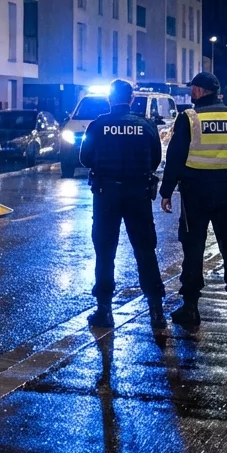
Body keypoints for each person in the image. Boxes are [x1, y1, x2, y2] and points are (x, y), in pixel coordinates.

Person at [160, 71, 227, 329]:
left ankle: (191, 308)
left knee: (193, 247)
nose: (191, 92)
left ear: (201, 91)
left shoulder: (189, 118)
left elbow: (175, 158)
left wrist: (166, 191)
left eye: (193, 88)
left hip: (196, 193)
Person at [79, 79, 166, 328]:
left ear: (109, 99)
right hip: (138, 194)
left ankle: (104, 310)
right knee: (145, 250)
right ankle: (156, 310)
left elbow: (85, 158)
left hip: (106, 195)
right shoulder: (145, 125)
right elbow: (155, 159)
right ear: (131, 99)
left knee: (105, 251)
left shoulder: (98, 125)